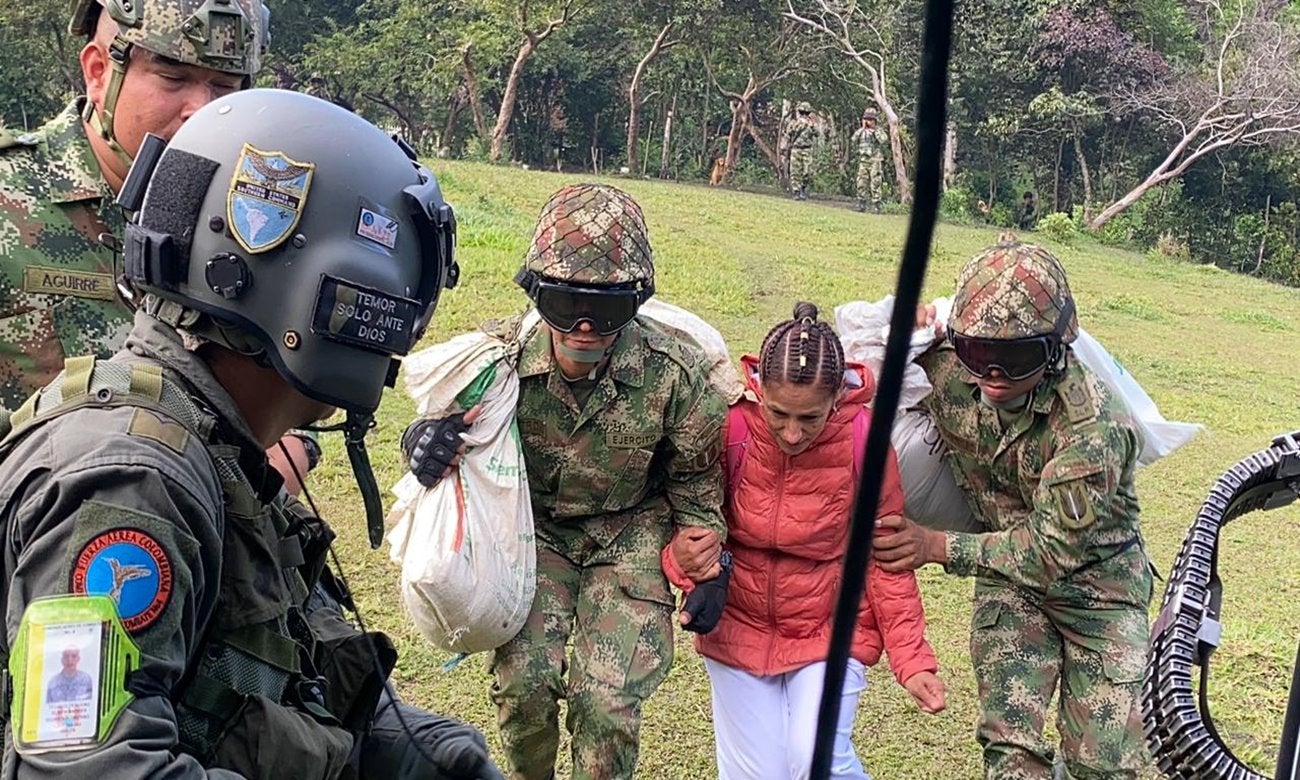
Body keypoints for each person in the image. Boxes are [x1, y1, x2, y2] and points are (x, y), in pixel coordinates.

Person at [0, 88, 500, 779]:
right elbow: (83, 769)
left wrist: (417, 750)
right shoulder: (130, 484)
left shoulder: (218, 452)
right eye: (387, 311)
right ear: (323, 300)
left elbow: (275, 674)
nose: (395, 339)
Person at [403, 183, 728, 780]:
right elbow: (440, 423)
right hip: (534, 536)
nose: (583, 329)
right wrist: (422, 444)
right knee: (523, 690)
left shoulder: (673, 377)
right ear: (534, 296)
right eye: (563, 305)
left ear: (635, 303)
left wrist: (711, 561)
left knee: (605, 706)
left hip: (630, 535)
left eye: (604, 312)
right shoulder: (496, 363)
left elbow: (698, 481)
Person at [0, 0, 318, 487]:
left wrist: (291, 448)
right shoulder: (10, 202)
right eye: (173, 78)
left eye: (224, 87)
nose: (202, 111)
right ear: (98, 71)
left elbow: (279, 381)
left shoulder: (250, 216)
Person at [874, 237, 1151, 778]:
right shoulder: (947, 367)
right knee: (1011, 753)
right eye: (980, 355)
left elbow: (1050, 551)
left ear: (1054, 351)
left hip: (1101, 593)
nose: (995, 376)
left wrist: (935, 546)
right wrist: (899, 320)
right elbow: (848, 362)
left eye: (1017, 358)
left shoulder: (1092, 428)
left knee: (1104, 765)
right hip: (1010, 584)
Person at [664, 302, 945, 780]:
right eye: (779, 414)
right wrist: (679, 560)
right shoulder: (729, 428)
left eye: (809, 419)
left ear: (838, 396)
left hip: (830, 628)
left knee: (815, 761)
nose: (792, 433)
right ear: (758, 389)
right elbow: (685, 517)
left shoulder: (865, 444)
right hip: (739, 627)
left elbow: (885, 557)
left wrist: (911, 658)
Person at [850, 109, 887, 213]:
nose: (867, 122)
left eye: (870, 120)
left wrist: (874, 132)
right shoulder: (861, 131)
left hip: (875, 159)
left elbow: (883, 140)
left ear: (874, 121)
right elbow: (853, 140)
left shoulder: (878, 130)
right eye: (866, 119)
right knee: (861, 182)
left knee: (875, 182)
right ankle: (861, 204)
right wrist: (862, 129)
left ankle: (876, 205)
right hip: (863, 160)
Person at [787, 102, 822, 201]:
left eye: (806, 113)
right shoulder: (794, 122)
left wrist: (811, 126)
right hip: (796, 149)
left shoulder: (811, 124)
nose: (804, 115)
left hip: (807, 149)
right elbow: (789, 132)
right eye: (802, 113)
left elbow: (818, 134)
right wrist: (798, 124)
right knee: (795, 171)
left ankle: (803, 188)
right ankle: (796, 192)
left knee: (807, 171)